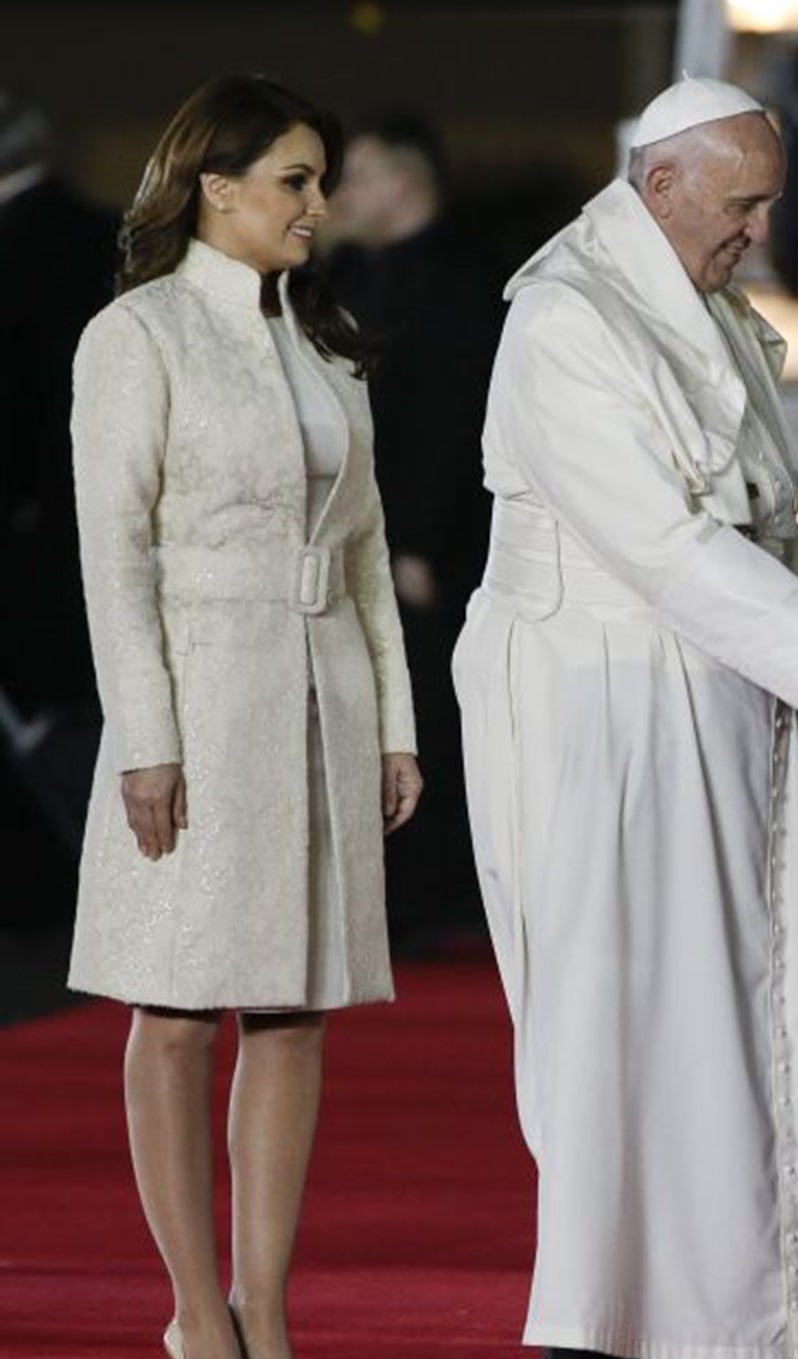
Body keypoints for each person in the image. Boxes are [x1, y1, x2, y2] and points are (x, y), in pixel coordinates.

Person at [453, 75, 798, 1359]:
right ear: (660, 181)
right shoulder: (569, 315)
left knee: (727, 1015)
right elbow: (654, 536)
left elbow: (740, 524)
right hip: (594, 701)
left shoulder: (697, 301)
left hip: (705, 687)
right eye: (743, 204)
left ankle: (726, 1327)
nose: (758, 232)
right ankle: (598, 1332)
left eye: (767, 204)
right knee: (611, 1013)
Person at [68, 75, 421, 1359]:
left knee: (292, 1008)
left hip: (322, 698)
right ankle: (197, 1317)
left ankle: (266, 1317)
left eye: (321, 181)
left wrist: (393, 726)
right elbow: (115, 556)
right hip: (200, 705)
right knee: (174, 1009)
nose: (317, 207)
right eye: (294, 180)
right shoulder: (138, 336)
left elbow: (369, 553)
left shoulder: (322, 344)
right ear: (216, 186)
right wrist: (145, 741)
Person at [326, 114, 505, 945]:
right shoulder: (347, 277)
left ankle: (433, 895)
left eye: (353, 176)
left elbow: (456, 420)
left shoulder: (467, 282)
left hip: (430, 551)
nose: (338, 197)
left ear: (404, 181)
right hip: (354, 537)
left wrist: (421, 543)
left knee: (430, 713)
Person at [0, 91, 118, 903]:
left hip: (29, 525)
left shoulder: (11, 247)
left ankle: (88, 877)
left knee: (46, 718)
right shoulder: (109, 232)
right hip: (114, 502)